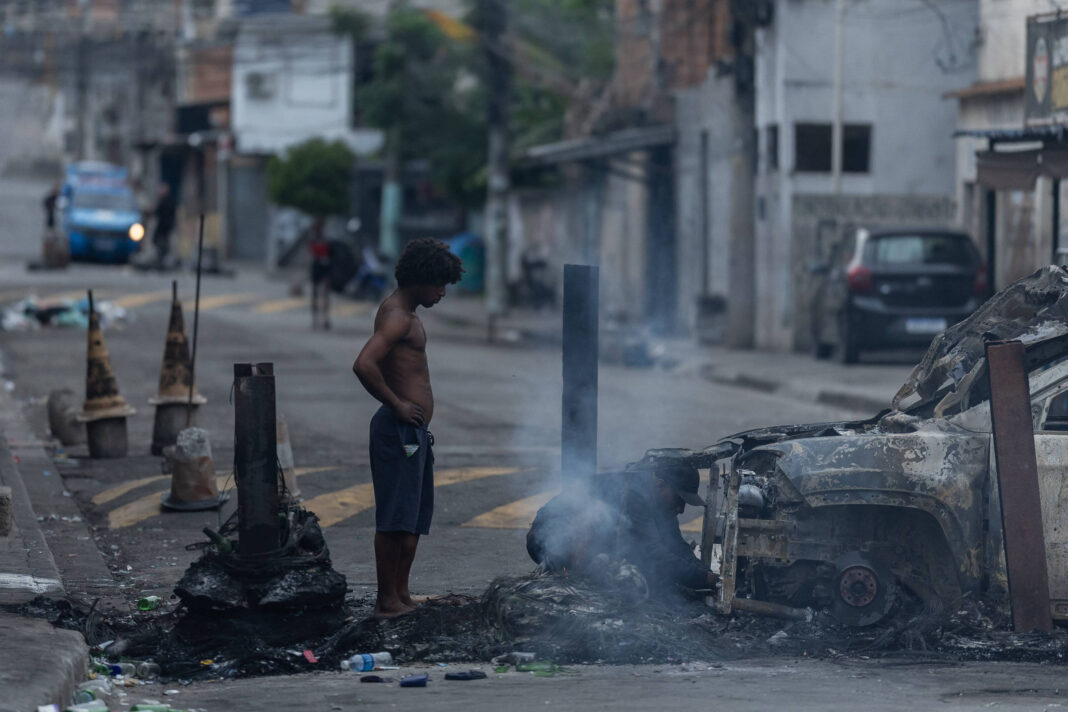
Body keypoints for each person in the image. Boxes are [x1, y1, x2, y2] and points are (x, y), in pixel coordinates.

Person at [352, 238, 464, 619]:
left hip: (412, 436)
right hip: (398, 433)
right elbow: (364, 363)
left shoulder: (405, 313)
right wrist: (398, 404)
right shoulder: (398, 316)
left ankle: (401, 594)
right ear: (421, 279)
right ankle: (386, 600)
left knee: (413, 518)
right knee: (396, 518)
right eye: (439, 285)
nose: (442, 293)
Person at [526, 464, 719, 596]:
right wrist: (702, 579)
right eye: (679, 499)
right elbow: (656, 555)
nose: (681, 509)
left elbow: (676, 545)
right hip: (548, 539)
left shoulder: (657, 499)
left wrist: (706, 574)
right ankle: (570, 584)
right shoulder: (636, 496)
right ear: (661, 485)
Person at [308, 217, 331, 329]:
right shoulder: (313, 239)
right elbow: (310, 254)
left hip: (323, 267)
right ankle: (316, 319)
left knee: (324, 295)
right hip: (317, 266)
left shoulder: (325, 238)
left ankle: (324, 319)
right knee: (316, 295)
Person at [152, 183, 176, 267]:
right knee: (159, 243)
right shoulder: (165, 200)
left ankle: (162, 260)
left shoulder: (166, 201)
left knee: (162, 244)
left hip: (164, 227)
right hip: (164, 226)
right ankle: (161, 259)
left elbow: (159, 212)